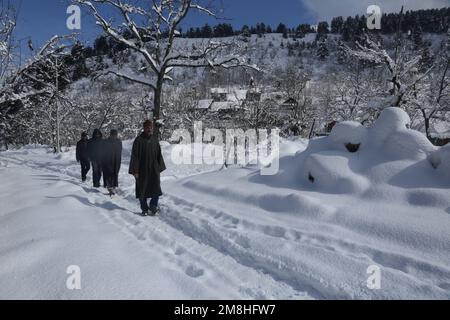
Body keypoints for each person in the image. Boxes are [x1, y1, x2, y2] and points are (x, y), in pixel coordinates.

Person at [129, 120, 166, 216]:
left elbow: (159, 154)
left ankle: (153, 206)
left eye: (151, 127)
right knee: (142, 189)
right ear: (144, 128)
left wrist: (159, 167)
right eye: (148, 127)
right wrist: (135, 171)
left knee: (156, 188)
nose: (150, 129)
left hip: (154, 169)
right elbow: (135, 156)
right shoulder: (138, 140)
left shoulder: (154, 139)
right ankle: (144, 208)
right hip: (142, 169)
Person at [102, 129, 122, 196]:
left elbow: (120, 151)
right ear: (110, 135)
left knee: (115, 174)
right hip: (108, 160)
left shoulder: (119, 142)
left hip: (116, 160)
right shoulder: (106, 142)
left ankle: (113, 187)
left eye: (115, 135)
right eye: (112, 135)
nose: (114, 136)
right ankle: (110, 188)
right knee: (108, 174)